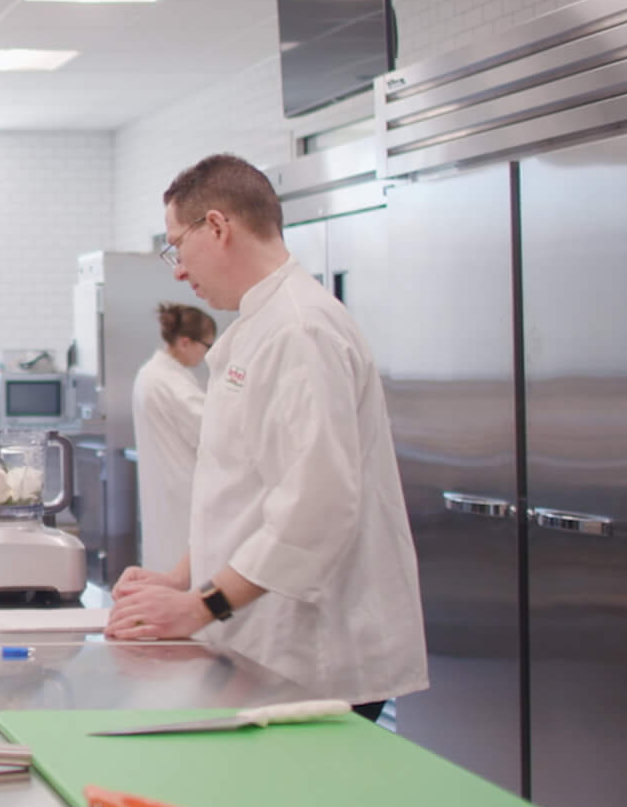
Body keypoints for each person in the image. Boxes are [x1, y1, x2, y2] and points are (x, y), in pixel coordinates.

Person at [106, 154, 426, 720]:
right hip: (266, 642)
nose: (177, 271)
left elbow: (317, 508)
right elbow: (247, 489)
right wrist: (177, 577)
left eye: (177, 246)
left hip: (314, 651)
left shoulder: (301, 330)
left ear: (218, 227)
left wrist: (199, 607)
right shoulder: (262, 325)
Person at [129, 302, 214, 574]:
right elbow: (212, 432)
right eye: (207, 346)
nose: (207, 354)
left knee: (168, 564)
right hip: (183, 492)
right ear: (185, 342)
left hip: (168, 491)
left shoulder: (151, 374)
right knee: (184, 569)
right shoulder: (170, 382)